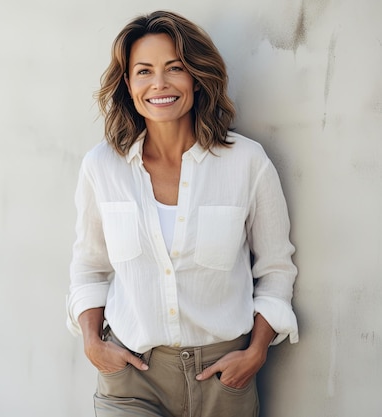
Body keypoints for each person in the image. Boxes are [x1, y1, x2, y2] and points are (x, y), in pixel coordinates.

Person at [66, 10, 298, 417]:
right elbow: (89, 267)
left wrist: (256, 351)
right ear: (128, 83)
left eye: (174, 68)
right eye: (144, 71)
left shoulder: (246, 162)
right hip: (131, 376)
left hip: (224, 378)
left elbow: (276, 270)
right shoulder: (101, 167)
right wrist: (91, 341)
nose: (160, 84)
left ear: (195, 76)